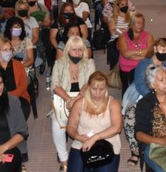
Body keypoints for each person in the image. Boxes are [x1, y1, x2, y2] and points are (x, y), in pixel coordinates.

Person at [123, 38, 166, 168]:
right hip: (142, 95)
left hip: (164, 97)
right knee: (130, 119)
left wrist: (163, 99)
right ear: (154, 48)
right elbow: (140, 84)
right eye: (162, 49)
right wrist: (154, 98)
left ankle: (162, 145)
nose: (164, 52)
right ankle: (135, 151)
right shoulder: (143, 63)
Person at [51, 36, 96, 171]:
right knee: (56, 122)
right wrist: (68, 99)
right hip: (64, 100)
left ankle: (86, 149)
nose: (77, 53)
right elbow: (55, 85)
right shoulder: (59, 64)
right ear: (67, 50)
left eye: (80, 50)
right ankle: (63, 159)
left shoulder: (89, 63)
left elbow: (89, 83)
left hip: (83, 99)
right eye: (74, 49)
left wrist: (75, 100)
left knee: (89, 121)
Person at [66, 71, 122, 172]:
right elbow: (71, 127)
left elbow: (117, 127)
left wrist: (95, 137)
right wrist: (79, 137)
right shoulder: (79, 104)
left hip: (107, 142)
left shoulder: (113, 104)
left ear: (106, 89)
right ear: (88, 87)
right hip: (83, 141)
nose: (97, 93)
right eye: (94, 89)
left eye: (101, 89)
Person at [0, 38, 31, 121]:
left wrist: (10, 96)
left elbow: (23, 86)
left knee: (23, 109)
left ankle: (19, 131)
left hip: (17, 96)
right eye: (5, 50)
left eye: (9, 49)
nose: (8, 52)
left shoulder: (18, 65)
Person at [117, 12, 154, 97]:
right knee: (129, 86)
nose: (140, 25)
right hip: (127, 68)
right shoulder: (123, 37)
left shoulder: (148, 35)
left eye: (142, 23)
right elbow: (125, 54)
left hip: (144, 67)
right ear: (132, 24)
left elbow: (150, 52)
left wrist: (133, 53)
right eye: (138, 23)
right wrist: (142, 53)